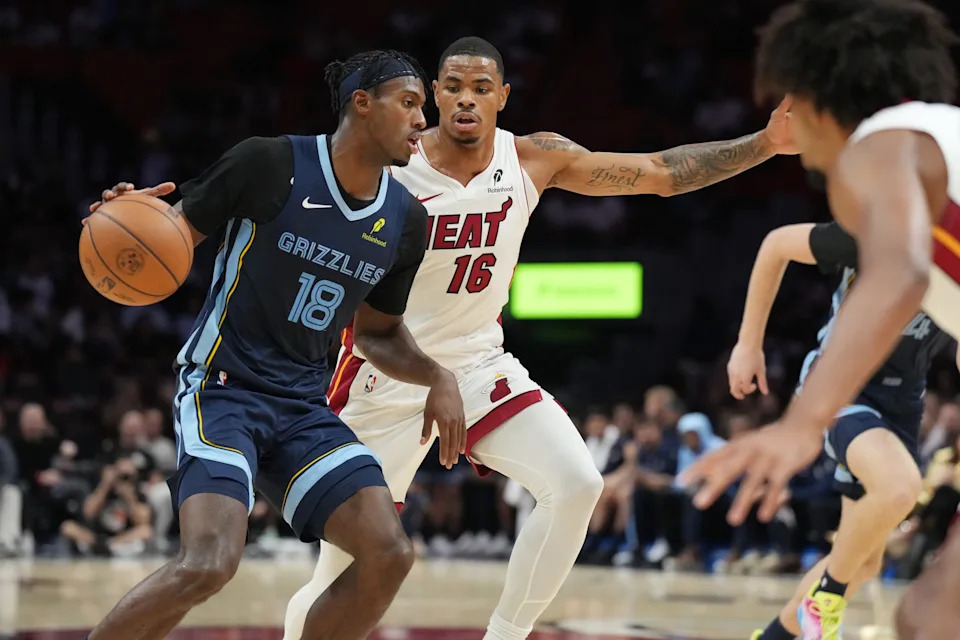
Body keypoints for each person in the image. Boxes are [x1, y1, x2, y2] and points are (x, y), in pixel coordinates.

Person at [284, 36, 797, 640]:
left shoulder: (532, 158)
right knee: (344, 570)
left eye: (481, 88)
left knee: (577, 484)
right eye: (453, 87)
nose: (466, 99)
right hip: (385, 372)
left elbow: (660, 173)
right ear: (434, 95)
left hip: (477, 365)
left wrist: (765, 143)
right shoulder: (391, 163)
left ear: (502, 96)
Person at [82, 49, 467, 640]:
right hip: (223, 389)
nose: (423, 120)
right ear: (362, 104)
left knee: (389, 554)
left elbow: (378, 333)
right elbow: (169, 234)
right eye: (410, 103)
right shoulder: (269, 163)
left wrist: (438, 376)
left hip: (304, 407)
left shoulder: (405, 221)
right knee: (209, 563)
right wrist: (128, 224)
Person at [678, 2, 960, 639]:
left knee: (896, 584)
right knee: (921, 605)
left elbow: (900, 273)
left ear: (818, 100)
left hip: (883, 396)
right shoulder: (937, 145)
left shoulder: (883, 147)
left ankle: (821, 600)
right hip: (867, 395)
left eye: (789, 101)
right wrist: (750, 346)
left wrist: (801, 424)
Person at [727, 221, 952, 639]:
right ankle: (826, 600)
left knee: (862, 564)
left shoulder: (952, 267)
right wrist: (748, 344)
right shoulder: (877, 232)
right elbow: (776, 244)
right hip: (838, 385)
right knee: (899, 487)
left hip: (902, 403)